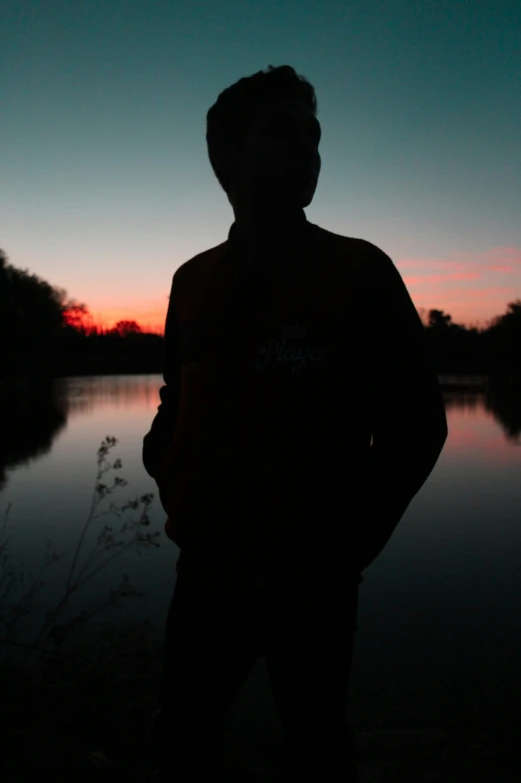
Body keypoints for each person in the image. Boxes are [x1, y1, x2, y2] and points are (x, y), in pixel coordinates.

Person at [142, 64, 448, 783]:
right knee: (184, 741)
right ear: (227, 155)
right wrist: (166, 462)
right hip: (205, 578)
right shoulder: (192, 280)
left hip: (311, 588)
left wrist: (341, 553)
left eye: (313, 136)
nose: (307, 149)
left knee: (314, 747)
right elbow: (175, 395)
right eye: (282, 132)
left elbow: (417, 428)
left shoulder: (358, 271)